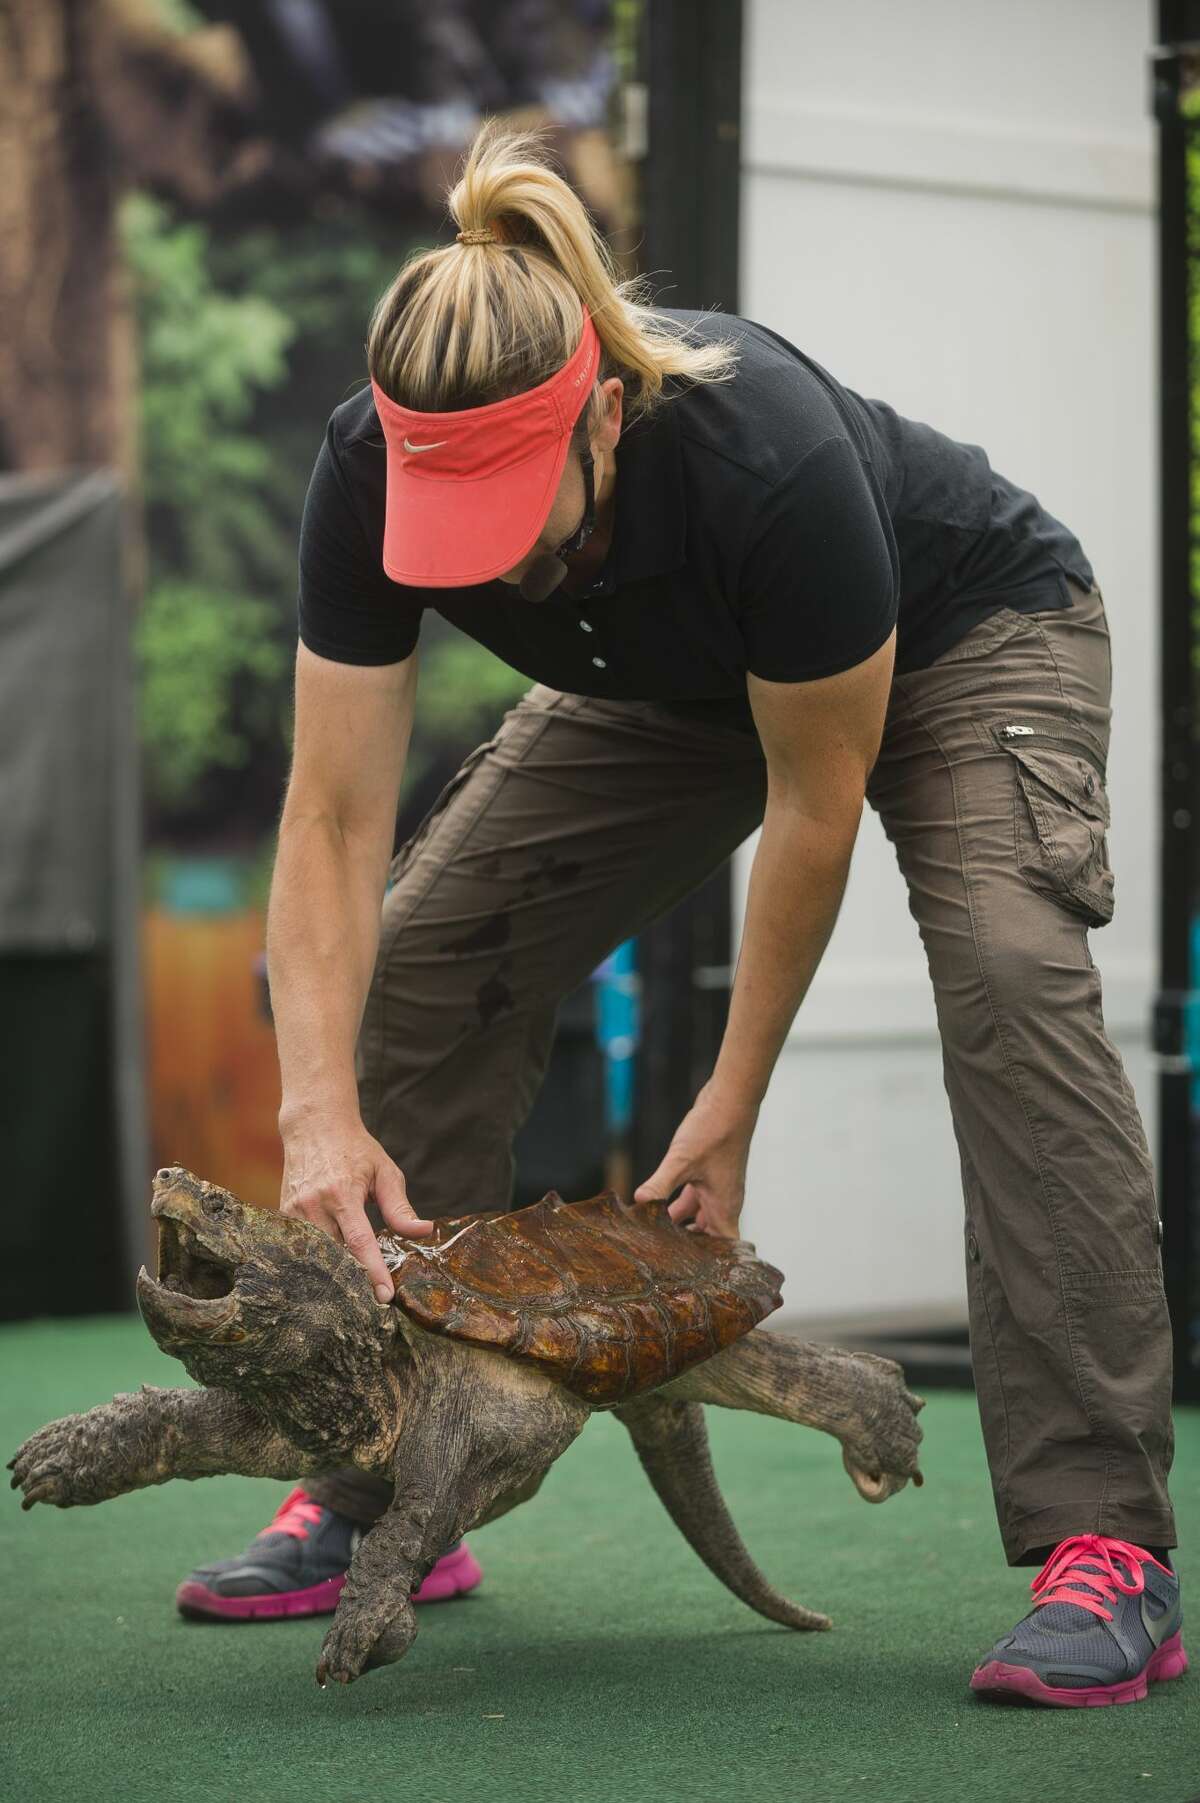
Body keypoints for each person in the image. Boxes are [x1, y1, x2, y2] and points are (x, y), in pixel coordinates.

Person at [176, 123, 1183, 1707]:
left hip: (968, 637)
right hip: (685, 683)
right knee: (428, 960)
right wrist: (315, 1110)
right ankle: (388, 1477)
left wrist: (728, 1101)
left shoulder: (760, 458)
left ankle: (1104, 1541)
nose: (489, 565)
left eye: (520, 506)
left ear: (609, 412)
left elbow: (814, 803)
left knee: (1003, 968)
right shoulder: (368, 462)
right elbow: (330, 816)